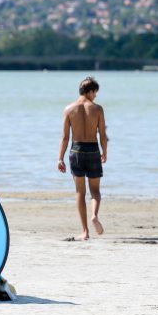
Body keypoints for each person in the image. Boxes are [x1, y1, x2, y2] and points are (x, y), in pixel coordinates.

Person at [57, 76, 108, 240]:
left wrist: (60, 158)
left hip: (76, 151)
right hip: (93, 150)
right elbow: (103, 135)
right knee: (95, 191)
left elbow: (65, 137)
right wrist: (104, 152)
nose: (96, 96)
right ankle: (94, 215)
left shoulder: (69, 109)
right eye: (95, 92)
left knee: (80, 192)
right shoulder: (98, 109)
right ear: (90, 91)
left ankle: (85, 231)